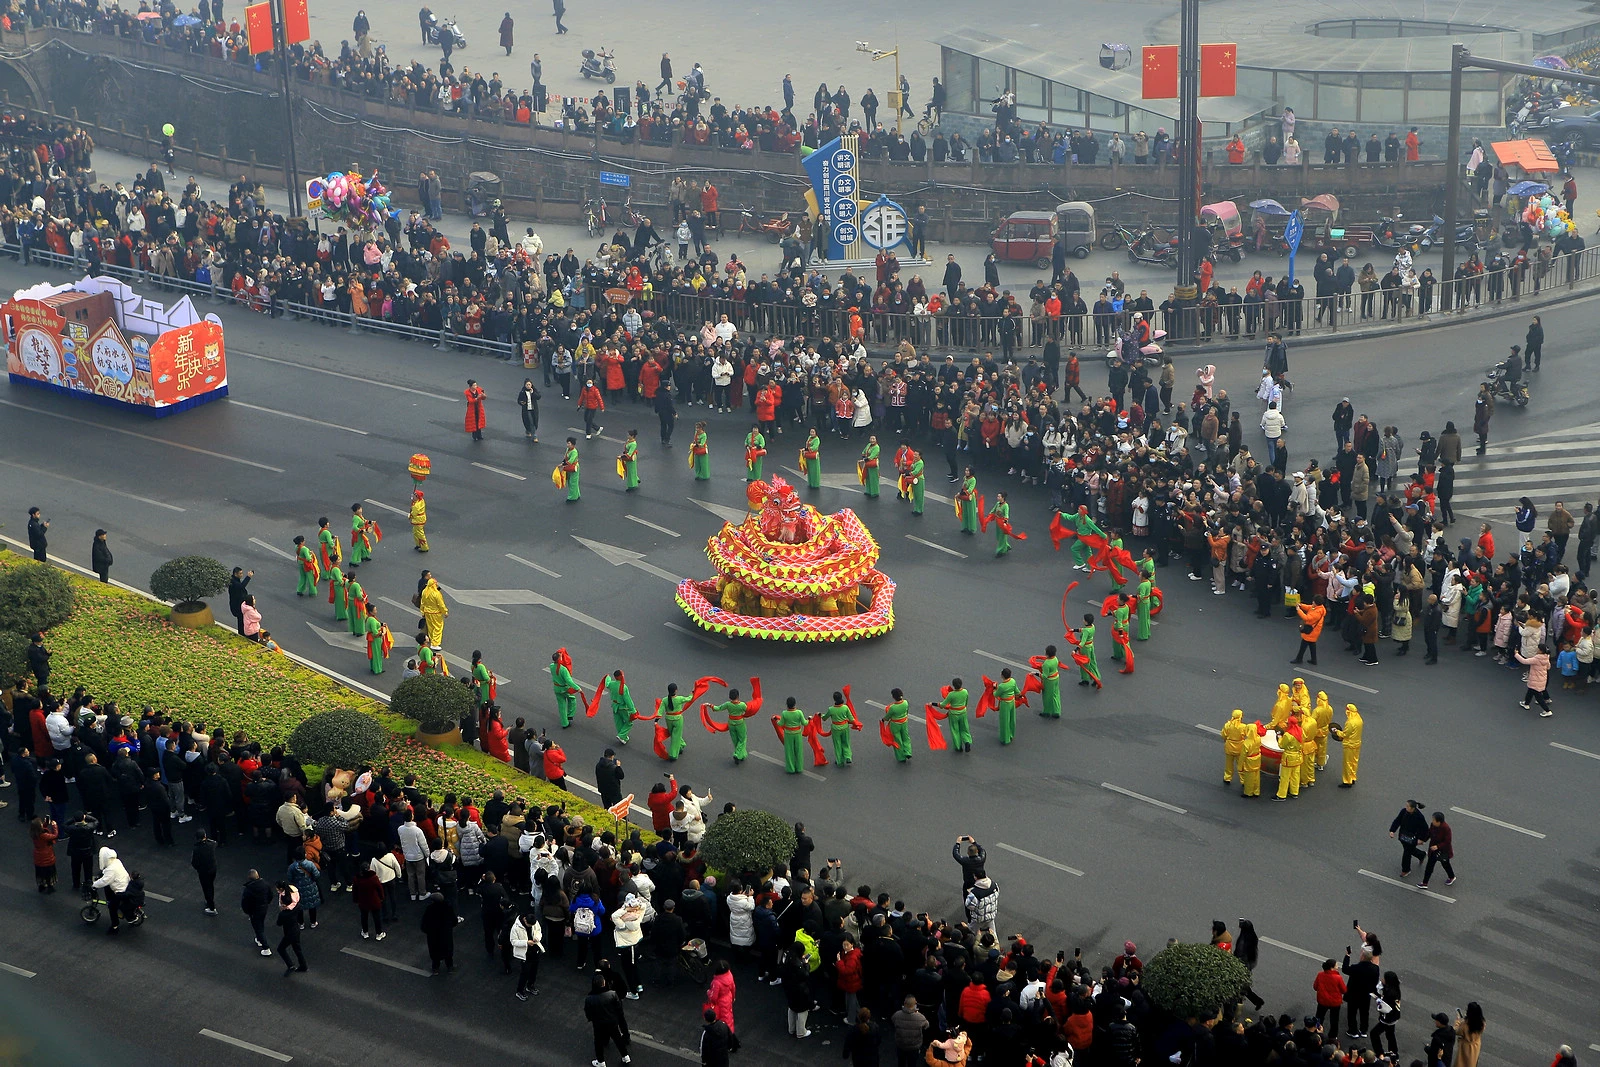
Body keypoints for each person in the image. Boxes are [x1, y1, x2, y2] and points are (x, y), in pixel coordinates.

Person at [584, 973, 633, 1064]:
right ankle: (625, 1056)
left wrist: (591, 1019)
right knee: (617, 1037)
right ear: (604, 983)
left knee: (598, 1042)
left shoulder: (590, 998)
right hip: (612, 1021)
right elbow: (618, 1007)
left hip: (599, 1023)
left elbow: (588, 1012)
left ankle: (601, 1061)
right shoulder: (612, 994)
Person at [1340, 944, 1380, 1038]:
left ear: (1362, 957)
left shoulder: (1355, 967)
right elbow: (1375, 981)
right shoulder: (1375, 969)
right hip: (1366, 995)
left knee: (1352, 1013)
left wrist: (1347, 956)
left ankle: (1353, 1031)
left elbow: (1345, 969)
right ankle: (1363, 1030)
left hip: (1353, 994)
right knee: (1364, 1013)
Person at [1389, 798, 1430, 877]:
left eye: (1408, 806)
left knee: (1406, 853)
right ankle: (1421, 855)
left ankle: (1406, 870)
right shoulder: (1404, 811)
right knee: (1409, 850)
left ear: (1413, 808)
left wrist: (1422, 840)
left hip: (1412, 838)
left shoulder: (1419, 817)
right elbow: (1397, 820)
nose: (1406, 807)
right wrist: (1392, 830)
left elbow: (1425, 829)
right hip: (1403, 836)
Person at [421, 890, 458, 974]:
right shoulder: (448, 907)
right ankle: (450, 967)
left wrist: (428, 931)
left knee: (435, 952)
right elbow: (454, 921)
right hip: (446, 934)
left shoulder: (430, 909)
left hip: (433, 935)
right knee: (448, 951)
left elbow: (424, 924)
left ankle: (435, 968)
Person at [510, 907, 543, 999]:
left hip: (535, 950)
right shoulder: (515, 927)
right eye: (529, 925)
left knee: (534, 971)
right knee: (525, 973)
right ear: (525, 920)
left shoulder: (534, 922)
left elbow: (538, 931)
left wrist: (537, 938)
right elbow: (513, 941)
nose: (530, 927)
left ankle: (530, 986)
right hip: (525, 953)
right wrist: (526, 943)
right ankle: (519, 991)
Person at [1418, 810, 1456, 888]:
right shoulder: (1433, 825)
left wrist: (1438, 846)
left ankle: (1451, 876)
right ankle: (1425, 883)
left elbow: (1447, 841)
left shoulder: (1446, 828)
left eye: (1434, 820)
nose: (1432, 821)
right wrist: (1423, 840)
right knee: (1429, 866)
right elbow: (1429, 833)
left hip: (1443, 851)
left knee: (1445, 864)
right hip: (1433, 850)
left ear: (1439, 822)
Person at [241, 869, 275, 956]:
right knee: (260, 924)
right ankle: (259, 939)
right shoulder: (265, 884)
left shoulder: (248, 889)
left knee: (258, 928)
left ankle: (266, 947)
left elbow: (245, 903)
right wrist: (267, 903)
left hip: (254, 912)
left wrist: (248, 912)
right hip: (264, 908)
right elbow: (271, 895)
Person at [191, 828, 218, 914]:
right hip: (213, 869)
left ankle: (211, 907)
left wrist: (198, 869)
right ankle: (210, 900)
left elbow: (194, 862)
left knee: (206, 888)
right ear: (205, 836)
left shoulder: (197, 849)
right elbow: (214, 842)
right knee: (210, 886)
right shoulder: (211, 845)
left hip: (204, 872)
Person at [1454, 1001, 1485, 1067]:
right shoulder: (1482, 1022)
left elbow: (1456, 1031)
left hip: (1466, 1046)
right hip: (1476, 1044)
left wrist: (1458, 1021)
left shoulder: (1465, 1025)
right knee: (1473, 1062)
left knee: (1462, 1063)